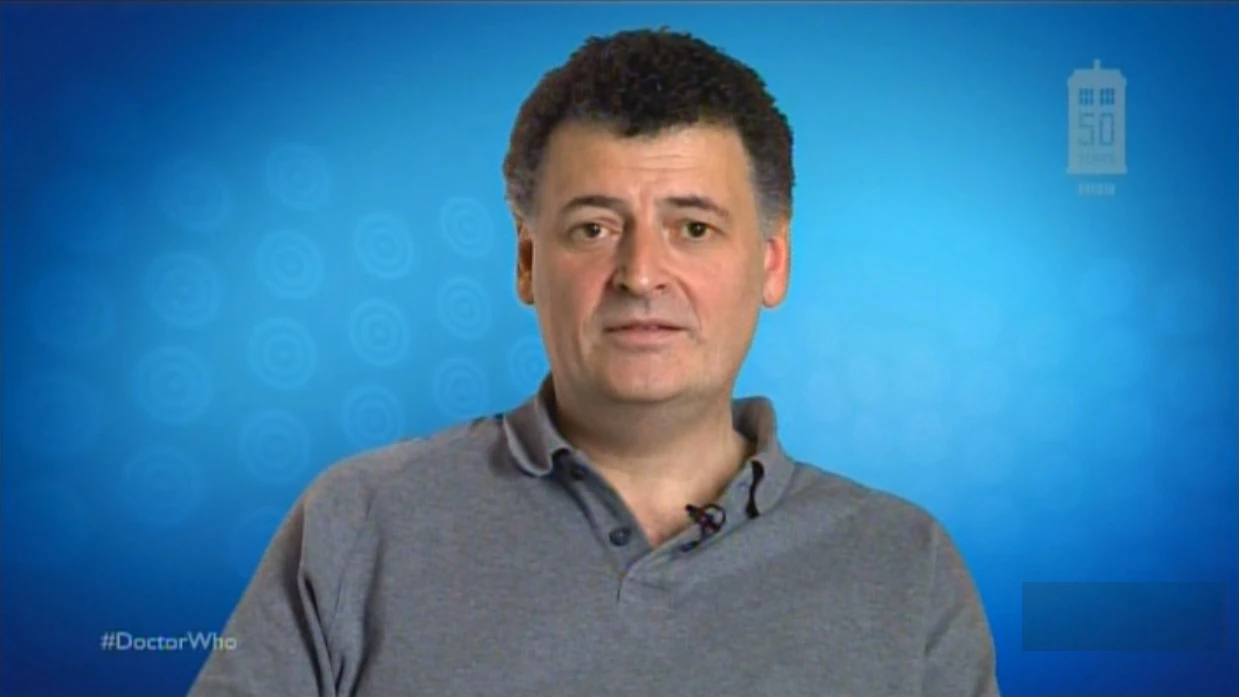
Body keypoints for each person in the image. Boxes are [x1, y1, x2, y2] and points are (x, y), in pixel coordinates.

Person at [188, 27, 1001, 697]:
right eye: (593, 228)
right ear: (526, 261)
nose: (640, 274)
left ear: (771, 262)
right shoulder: (357, 524)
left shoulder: (906, 565)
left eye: (693, 228)